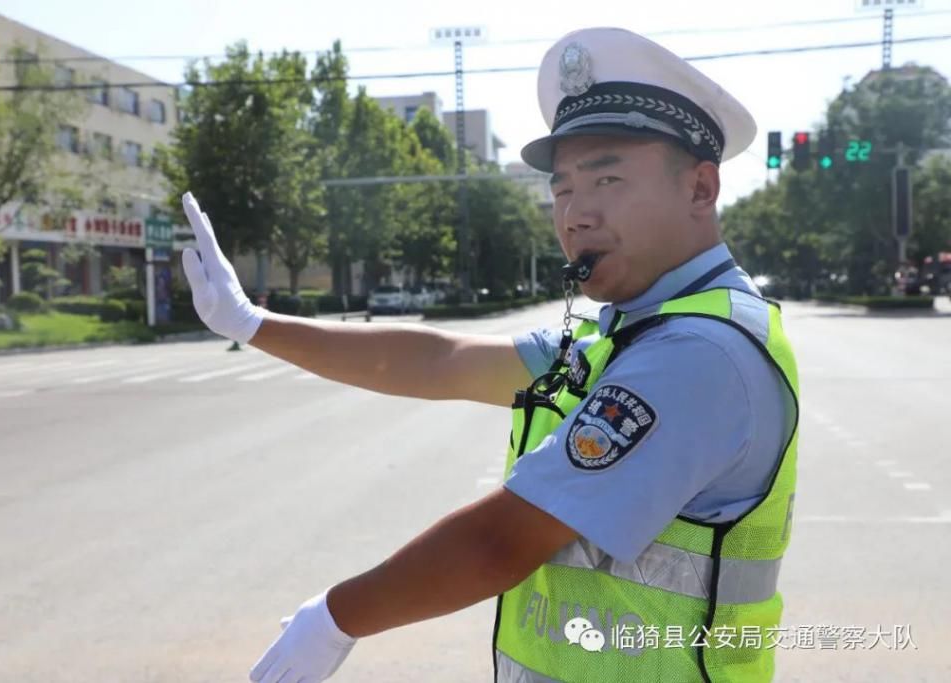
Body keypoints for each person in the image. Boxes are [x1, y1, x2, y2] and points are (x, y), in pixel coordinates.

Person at [180, 26, 800, 683]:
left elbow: (501, 539)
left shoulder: (696, 354)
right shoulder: (623, 334)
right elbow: (438, 359)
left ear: (701, 189)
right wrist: (253, 324)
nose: (576, 215)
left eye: (608, 178)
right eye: (562, 189)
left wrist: (337, 616)